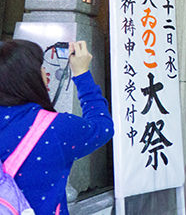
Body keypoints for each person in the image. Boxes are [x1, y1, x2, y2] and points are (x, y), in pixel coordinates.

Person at [0, 40, 113, 215]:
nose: (46, 73)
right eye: (40, 67)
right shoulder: (56, 129)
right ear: (26, 77)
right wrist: (82, 74)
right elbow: (102, 127)